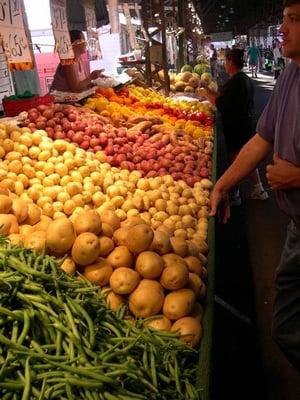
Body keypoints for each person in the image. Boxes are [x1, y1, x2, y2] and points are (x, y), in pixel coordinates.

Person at [209, 0, 300, 372]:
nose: (284, 29)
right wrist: (222, 185)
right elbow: (262, 139)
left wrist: (297, 176)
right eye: (284, 19)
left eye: (294, 20)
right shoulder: (290, 75)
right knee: (285, 324)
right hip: (297, 228)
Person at [199, 49, 268, 205]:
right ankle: (259, 188)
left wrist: (206, 95)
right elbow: (225, 99)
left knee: (237, 159)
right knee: (246, 158)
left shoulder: (236, 82)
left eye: (225, 61)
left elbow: (222, 104)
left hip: (237, 126)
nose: (224, 64)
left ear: (230, 62)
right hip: (244, 124)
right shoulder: (243, 79)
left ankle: (235, 194)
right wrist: (209, 91)